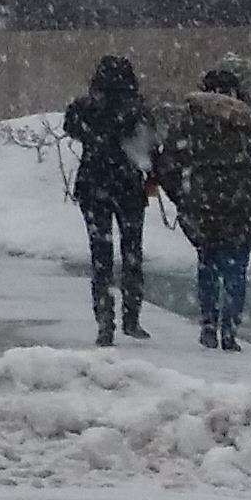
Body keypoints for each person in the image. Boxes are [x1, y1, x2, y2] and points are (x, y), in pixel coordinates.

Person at [153, 64, 251, 351]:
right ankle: (230, 328)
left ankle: (208, 321)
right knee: (236, 267)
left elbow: (168, 164)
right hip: (241, 201)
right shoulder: (246, 119)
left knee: (207, 263)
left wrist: (182, 198)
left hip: (203, 202)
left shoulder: (190, 120)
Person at [62, 53, 163, 346]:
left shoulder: (86, 107)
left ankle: (104, 320)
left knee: (101, 254)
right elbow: (151, 147)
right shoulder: (139, 110)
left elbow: (71, 126)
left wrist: (96, 134)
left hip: (93, 185)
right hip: (128, 186)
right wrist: (154, 178)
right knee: (132, 250)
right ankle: (132, 318)